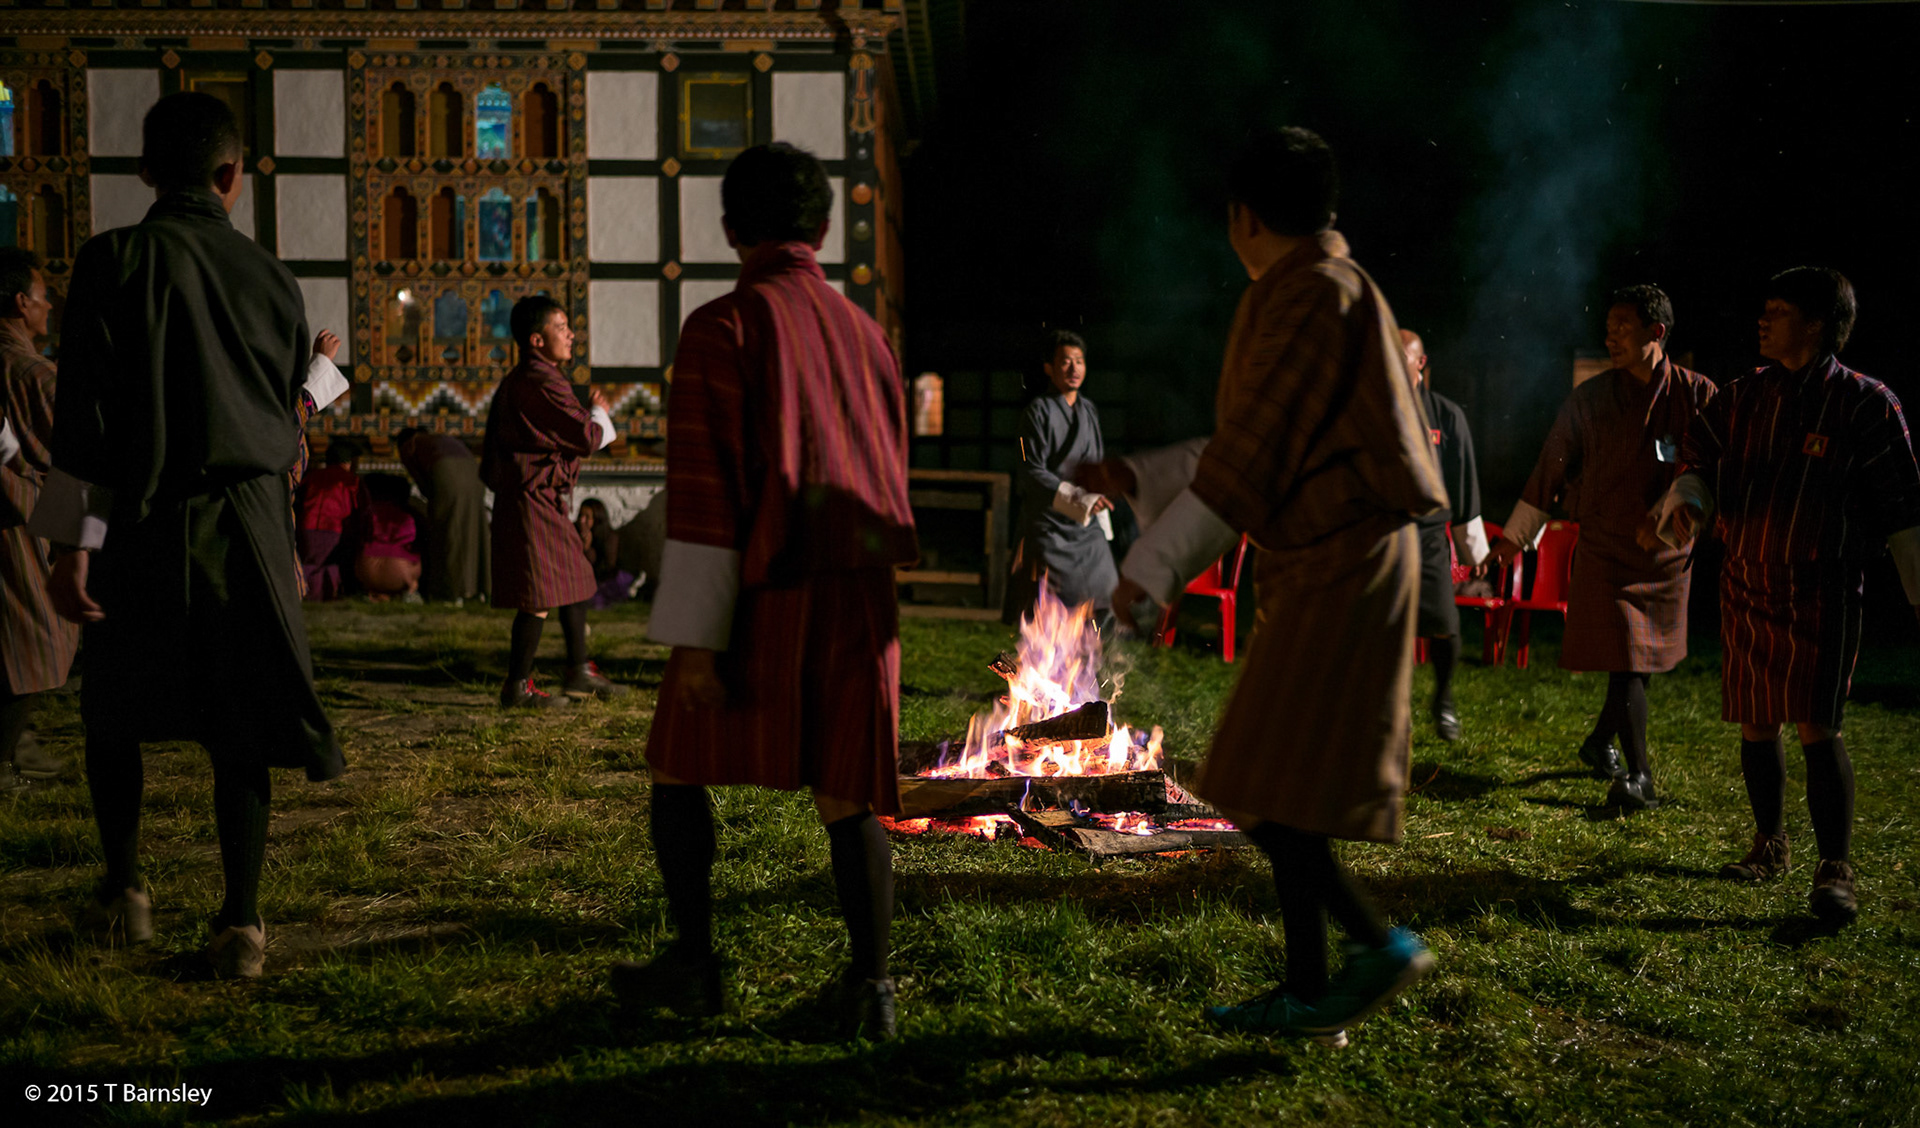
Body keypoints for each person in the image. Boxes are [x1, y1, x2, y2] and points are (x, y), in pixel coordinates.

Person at [1112, 127, 1446, 1044]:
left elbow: (1251, 456)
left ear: (1243, 217)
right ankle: (1310, 995)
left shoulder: (1313, 293)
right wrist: (1139, 477)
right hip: (1331, 556)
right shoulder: (1323, 288)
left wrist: (1149, 569)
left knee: (1255, 777)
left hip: (1347, 557)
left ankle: (1376, 947)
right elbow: (1259, 442)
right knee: (1287, 785)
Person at [30, 92, 347, 977]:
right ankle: (240, 922)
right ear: (231, 175)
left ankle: (126, 891)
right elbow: (284, 424)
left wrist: (71, 546)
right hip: (247, 526)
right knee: (239, 721)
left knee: (112, 713)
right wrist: (283, 545)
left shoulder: (113, 260)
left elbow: (84, 423)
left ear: (144, 171)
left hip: (141, 520)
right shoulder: (271, 279)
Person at [612, 142, 919, 1039]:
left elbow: (706, 496)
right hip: (860, 593)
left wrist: (697, 643)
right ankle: (871, 991)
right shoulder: (868, 334)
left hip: (765, 588)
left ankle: (695, 966)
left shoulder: (724, 326)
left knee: (676, 762)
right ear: (821, 227)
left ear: (729, 229)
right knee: (847, 790)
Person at [1654, 267, 1920, 924]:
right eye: (1765, 308)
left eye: (1778, 311)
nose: (1763, 320)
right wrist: (1690, 499)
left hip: (1822, 588)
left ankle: (1835, 869)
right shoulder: (1743, 396)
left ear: (1818, 325)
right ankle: (1769, 844)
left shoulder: (1865, 403)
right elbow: (1697, 456)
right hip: (1747, 579)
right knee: (1756, 718)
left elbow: (1902, 506)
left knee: (1816, 724)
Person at [1493, 286, 1715, 812]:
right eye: (1608, 327)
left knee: (1635, 662)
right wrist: (1513, 537)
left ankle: (1599, 742)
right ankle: (1640, 777)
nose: (1610, 337)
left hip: (1665, 555)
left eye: (1622, 326)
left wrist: (1677, 513)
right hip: (1605, 548)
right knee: (1628, 658)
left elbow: (1715, 464)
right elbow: (1551, 465)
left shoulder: (1697, 394)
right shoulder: (1590, 398)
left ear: (1656, 332)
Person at [480, 295, 625, 707]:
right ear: (536, 339)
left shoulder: (536, 377)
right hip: (532, 498)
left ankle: (579, 669)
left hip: (541, 496)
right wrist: (599, 414)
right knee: (539, 592)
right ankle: (517, 686)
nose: (571, 335)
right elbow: (585, 437)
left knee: (576, 576)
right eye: (561, 327)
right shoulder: (539, 381)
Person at [0, 247, 79, 791]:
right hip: (22, 527)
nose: (49, 307)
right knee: (32, 642)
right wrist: (83, 542)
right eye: (43, 297)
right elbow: (77, 461)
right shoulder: (34, 373)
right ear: (20, 303)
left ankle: (16, 747)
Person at [1402, 329, 1486, 742]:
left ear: (1421, 362)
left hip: (1429, 536)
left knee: (1444, 624)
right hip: (1385, 538)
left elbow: (1464, 484)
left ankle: (1444, 700)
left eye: (1401, 355)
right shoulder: (1373, 411)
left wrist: (1474, 552)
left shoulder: (1445, 415)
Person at [1005, 329, 1116, 622]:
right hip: (1049, 520)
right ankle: (1039, 650)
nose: (1073, 368)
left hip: (1084, 521)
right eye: (1065, 361)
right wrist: (1079, 499)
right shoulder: (1037, 412)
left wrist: (1099, 493)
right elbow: (1032, 471)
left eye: (1079, 361)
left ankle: (1093, 651)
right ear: (1049, 368)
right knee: (1048, 603)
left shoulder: (1088, 411)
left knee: (1106, 588)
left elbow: (1095, 462)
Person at [395, 426, 490, 604]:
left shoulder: (410, 444)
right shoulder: (441, 439)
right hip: (474, 476)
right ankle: (477, 589)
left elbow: (421, 483)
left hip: (447, 474)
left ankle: (449, 591)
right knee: (474, 532)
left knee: (447, 533)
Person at [295, 438, 367, 601]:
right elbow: (359, 510)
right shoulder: (351, 481)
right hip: (334, 528)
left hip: (306, 527)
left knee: (309, 563)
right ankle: (325, 598)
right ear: (348, 462)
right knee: (331, 565)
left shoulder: (311, 477)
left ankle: (306, 598)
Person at [354, 473, 422, 603]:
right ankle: (411, 589)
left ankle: (376, 592)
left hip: (367, 572)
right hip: (401, 573)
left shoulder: (366, 514)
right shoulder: (409, 515)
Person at [576, 497, 637, 609]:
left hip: (602, 579)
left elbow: (607, 567)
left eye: (587, 517)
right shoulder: (574, 532)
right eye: (580, 515)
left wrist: (587, 549)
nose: (582, 520)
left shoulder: (609, 538)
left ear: (597, 518)